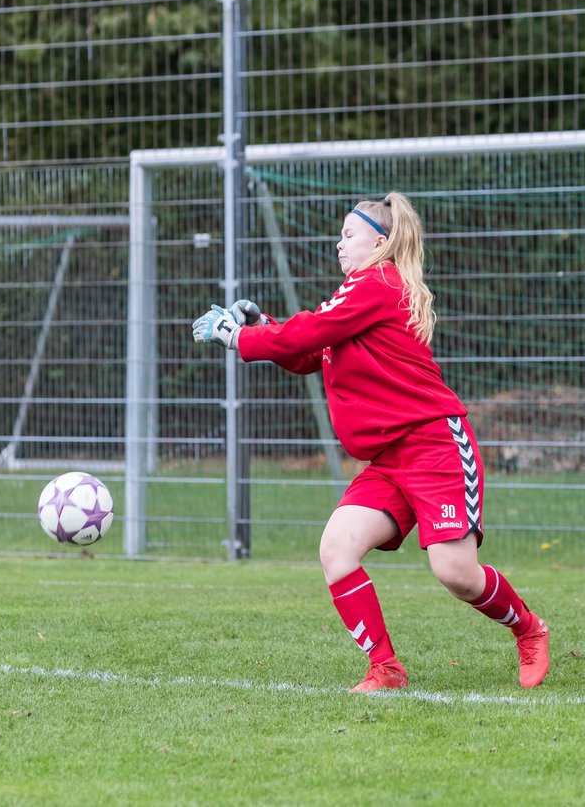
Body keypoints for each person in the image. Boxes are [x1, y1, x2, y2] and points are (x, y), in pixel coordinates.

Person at [192, 191, 549, 693]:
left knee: (456, 574)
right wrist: (262, 328)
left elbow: (306, 336)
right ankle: (386, 668)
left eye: (348, 235)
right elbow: (308, 351)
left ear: (379, 242)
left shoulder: (376, 283)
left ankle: (529, 629)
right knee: (337, 548)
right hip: (388, 461)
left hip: (434, 449)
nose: (338, 244)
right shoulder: (358, 292)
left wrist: (238, 338)